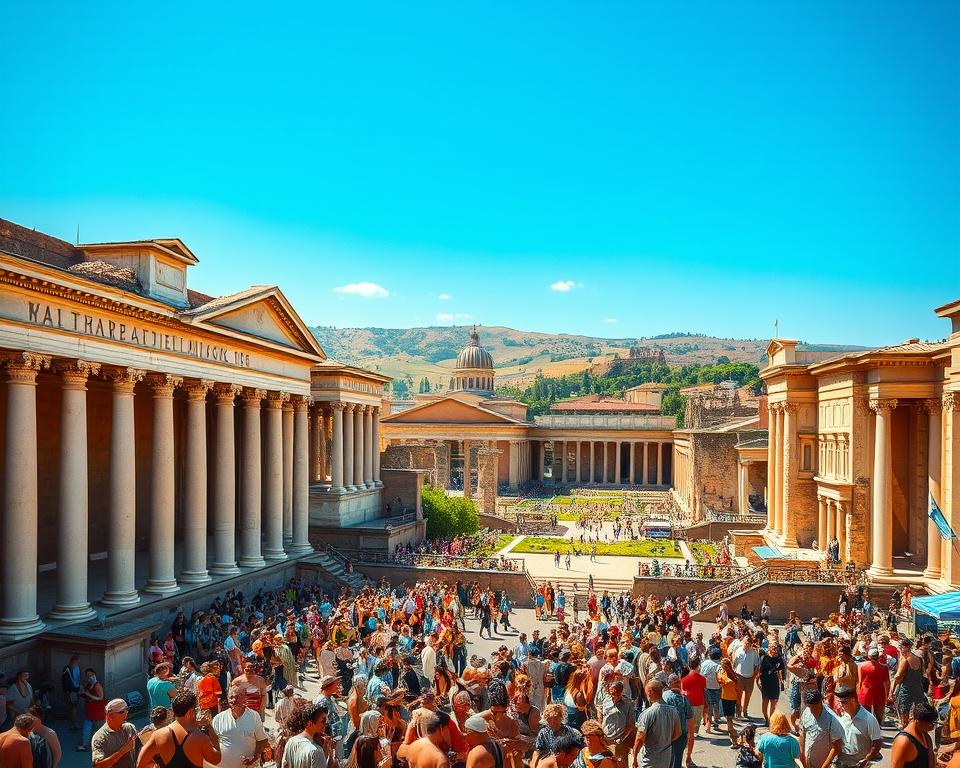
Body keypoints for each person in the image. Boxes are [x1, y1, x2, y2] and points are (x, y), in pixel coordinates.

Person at [136, 691, 221, 768]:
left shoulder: (158, 735)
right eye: (195, 710)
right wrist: (212, 733)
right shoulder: (199, 738)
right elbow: (216, 760)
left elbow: (141, 764)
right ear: (190, 712)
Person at [211, 687, 269, 768]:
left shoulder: (254, 716)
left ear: (244, 698)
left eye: (237, 697)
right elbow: (212, 742)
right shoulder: (218, 718)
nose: (234, 700)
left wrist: (255, 756)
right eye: (231, 697)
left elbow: (262, 741)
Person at [633, 680, 681, 768]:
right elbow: (678, 733)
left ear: (650, 692)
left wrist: (635, 758)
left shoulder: (647, 713)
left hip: (649, 760)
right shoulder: (673, 710)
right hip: (666, 758)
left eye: (646, 693)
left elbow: (639, 738)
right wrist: (664, 742)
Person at [834, 686, 882, 768]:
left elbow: (877, 743)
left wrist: (866, 759)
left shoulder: (869, 719)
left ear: (853, 700)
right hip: (841, 763)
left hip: (859, 764)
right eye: (839, 702)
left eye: (843, 702)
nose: (840, 705)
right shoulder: (842, 716)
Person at [797, 690, 843, 768]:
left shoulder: (831, 719)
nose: (811, 710)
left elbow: (837, 746)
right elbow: (802, 734)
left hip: (823, 764)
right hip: (807, 764)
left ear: (820, 702)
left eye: (814, 707)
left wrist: (824, 766)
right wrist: (802, 757)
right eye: (809, 707)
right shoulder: (806, 712)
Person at [282, 703, 334, 768]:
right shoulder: (316, 751)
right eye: (323, 721)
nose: (326, 724)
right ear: (310, 723)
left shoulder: (291, 741)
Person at [891, 638, 927, 729]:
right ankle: (915, 730)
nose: (899, 649)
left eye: (900, 647)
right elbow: (923, 673)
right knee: (917, 713)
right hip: (918, 689)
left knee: (903, 712)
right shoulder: (919, 659)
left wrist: (891, 690)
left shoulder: (905, 659)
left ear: (905, 648)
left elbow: (898, 676)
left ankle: (905, 730)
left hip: (906, 689)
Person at [92, 699, 138, 768]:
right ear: (110, 716)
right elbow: (99, 765)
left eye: (126, 710)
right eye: (122, 712)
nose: (126, 713)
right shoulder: (100, 737)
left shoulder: (129, 728)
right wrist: (122, 751)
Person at [890, 701, 935, 768]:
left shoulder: (925, 736)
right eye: (930, 724)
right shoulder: (903, 741)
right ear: (918, 721)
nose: (932, 726)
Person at [600, 681, 635, 768]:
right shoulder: (606, 700)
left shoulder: (628, 704)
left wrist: (621, 739)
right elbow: (601, 715)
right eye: (612, 693)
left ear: (621, 692)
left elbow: (631, 725)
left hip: (620, 741)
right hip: (606, 740)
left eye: (616, 694)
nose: (613, 696)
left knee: (621, 764)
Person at [856, 646, 890, 726]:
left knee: (866, 715)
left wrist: (858, 694)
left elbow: (860, 681)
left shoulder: (862, 667)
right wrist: (887, 694)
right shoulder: (884, 667)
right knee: (879, 716)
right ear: (878, 656)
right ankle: (877, 732)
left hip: (866, 692)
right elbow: (887, 683)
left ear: (869, 656)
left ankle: (868, 732)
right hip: (879, 692)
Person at [731, 638, 760, 720]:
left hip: (750, 677)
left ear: (750, 645)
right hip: (739, 676)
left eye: (747, 644)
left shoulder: (754, 653)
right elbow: (734, 662)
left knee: (748, 695)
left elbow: (757, 666)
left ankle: (745, 710)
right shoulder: (738, 650)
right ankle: (738, 711)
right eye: (744, 643)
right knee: (738, 695)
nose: (745, 645)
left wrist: (753, 676)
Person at [79, 667, 106, 752]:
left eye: (91, 675)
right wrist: (83, 693)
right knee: (91, 727)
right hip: (90, 709)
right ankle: (87, 744)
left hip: (96, 709)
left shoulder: (97, 685)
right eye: (88, 675)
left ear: (94, 675)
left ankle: (87, 744)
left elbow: (101, 697)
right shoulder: (88, 684)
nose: (90, 677)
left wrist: (88, 695)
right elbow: (84, 694)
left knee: (92, 727)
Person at [758, 644, 784, 727]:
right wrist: (758, 682)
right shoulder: (764, 658)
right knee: (765, 702)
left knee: (773, 702)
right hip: (765, 682)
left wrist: (781, 681)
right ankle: (766, 719)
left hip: (775, 682)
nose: (775, 651)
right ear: (769, 650)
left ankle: (771, 720)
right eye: (773, 649)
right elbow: (760, 671)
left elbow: (781, 670)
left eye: (776, 649)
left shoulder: (779, 659)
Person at [716, 658, 740, 747]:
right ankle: (734, 738)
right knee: (729, 720)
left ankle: (734, 740)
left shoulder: (733, 676)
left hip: (731, 699)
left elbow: (737, 689)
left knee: (729, 720)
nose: (722, 667)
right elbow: (720, 681)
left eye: (723, 665)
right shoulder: (722, 673)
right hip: (724, 698)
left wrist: (738, 704)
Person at [62, 655, 82, 732]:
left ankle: (74, 722)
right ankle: (72, 723)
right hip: (70, 691)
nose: (76, 663)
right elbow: (65, 681)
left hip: (76, 690)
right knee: (72, 707)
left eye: (77, 662)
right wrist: (68, 691)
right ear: (71, 661)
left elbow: (79, 678)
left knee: (74, 707)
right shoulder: (67, 669)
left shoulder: (78, 668)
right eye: (75, 662)